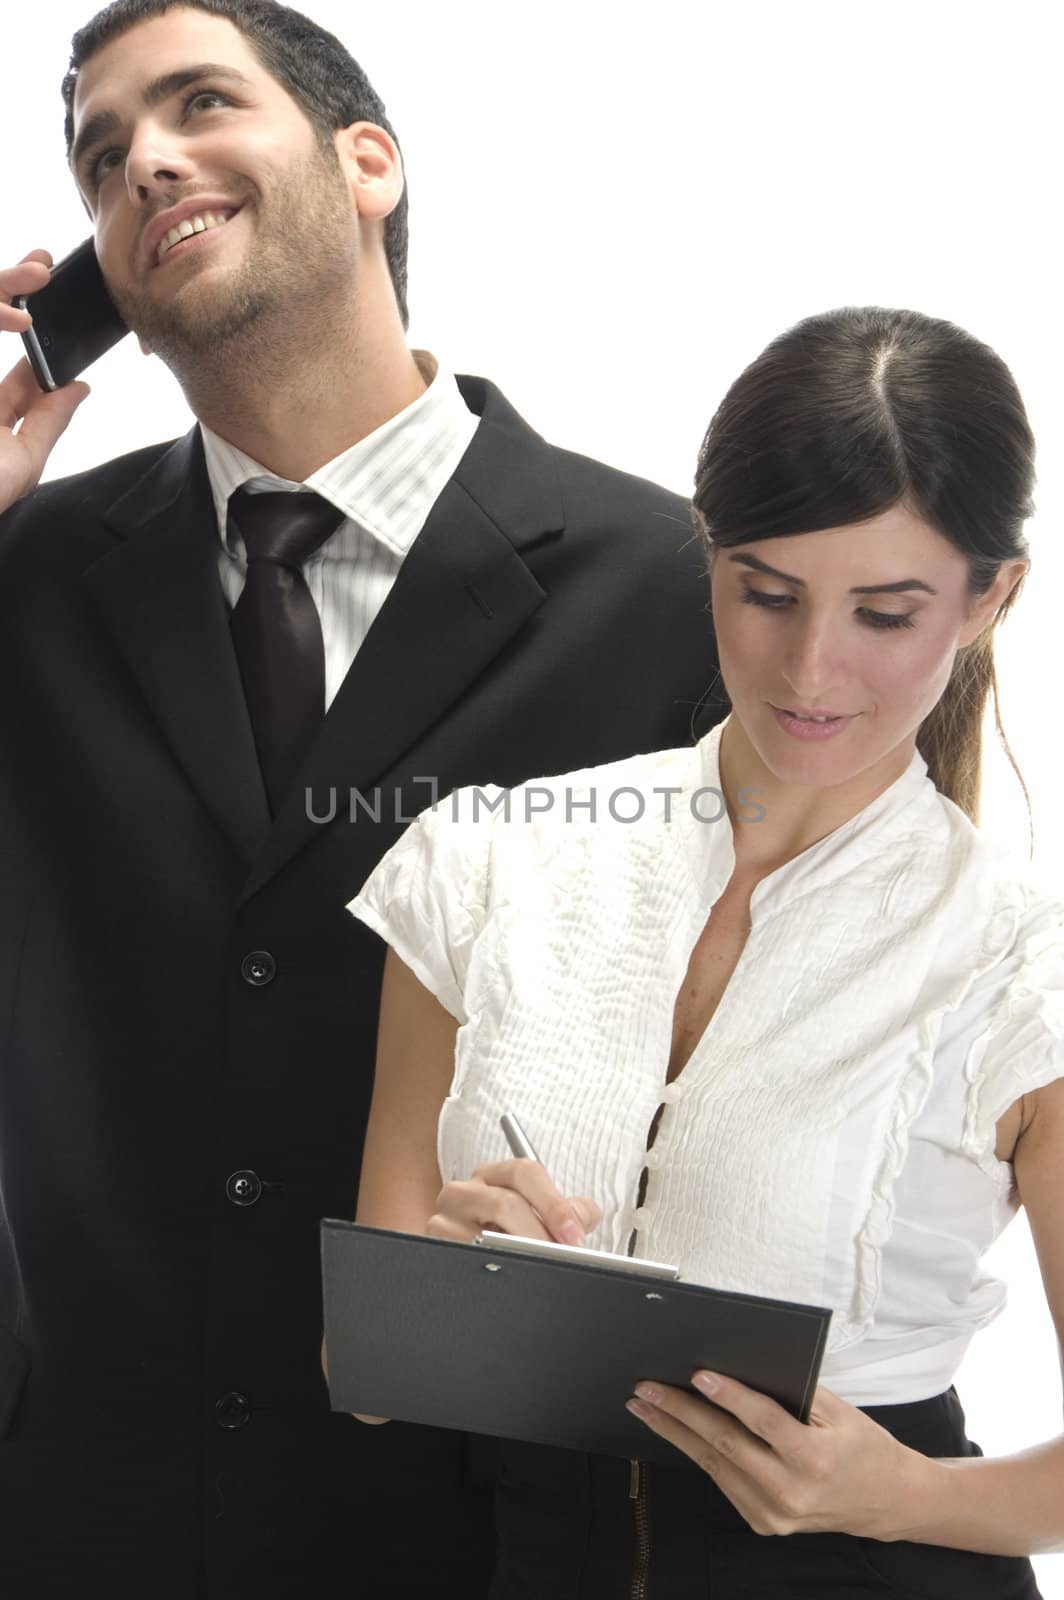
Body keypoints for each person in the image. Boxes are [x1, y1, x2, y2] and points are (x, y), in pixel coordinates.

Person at [0, 1, 722, 1594]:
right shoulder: (25, 576)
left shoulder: (677, 588)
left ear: (366, 162)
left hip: (496, 1528)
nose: (146, 162)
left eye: (199, 104)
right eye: (102, 154)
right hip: (87, 1524)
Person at [348, 305, 1064, 1598]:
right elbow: (370, 1385)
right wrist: (454, 1279)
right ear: (712, 556)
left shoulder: (1026, 962)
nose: (810, 667)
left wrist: (900, 1495)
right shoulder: (492, 861)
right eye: (767, 593)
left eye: (884, 615)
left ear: (989, 596)